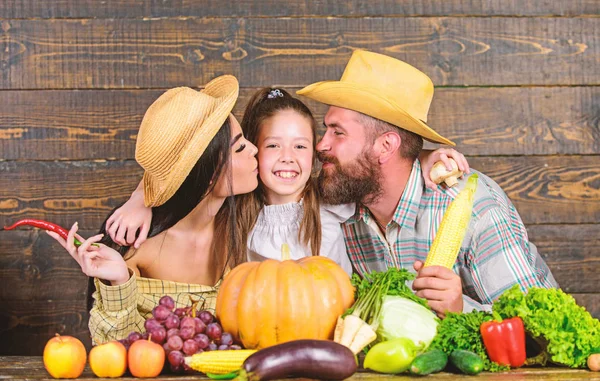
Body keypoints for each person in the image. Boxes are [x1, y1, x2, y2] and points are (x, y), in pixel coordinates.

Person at [295, 49, 557, 317]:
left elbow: (540, 325)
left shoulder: (473, 208)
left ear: (386, 146)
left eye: (338, 132)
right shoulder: (343, 200)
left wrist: (460, 308)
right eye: (326, 129)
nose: (321, 144)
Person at [104, 88, 469, 275]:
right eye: (273, 145)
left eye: (300, 146)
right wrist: (142, 196)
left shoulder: (329, 198)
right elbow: (186, 152)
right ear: (252, 151)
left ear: (316, 154)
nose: (287, 158)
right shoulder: (238, 208)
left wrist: (421, 157)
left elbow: (378, 169)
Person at [47, 76, 259, 344]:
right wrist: (120, 282)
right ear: (207, 174)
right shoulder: (136, 243)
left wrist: (141, 195)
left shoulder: (242, 214)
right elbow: (117, 348)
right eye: (239, 147)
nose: (254, 149)